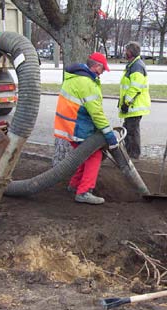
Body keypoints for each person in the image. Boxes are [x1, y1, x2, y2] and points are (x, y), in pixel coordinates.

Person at [54, 52, 118, 205]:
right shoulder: (86, 83)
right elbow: (96, 113)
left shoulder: (75, 77)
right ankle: (84, 192)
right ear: (97, 66)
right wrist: (109, 134)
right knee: (94, 156)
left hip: (70, 125)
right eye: (102, 70)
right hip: (76, 127)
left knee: (84, 155)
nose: (102, 73)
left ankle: (75, 185)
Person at [118, 41, 151, 159]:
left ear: (130, 52)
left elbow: (135, 87)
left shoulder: (136, 66)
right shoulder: (133, 65)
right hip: (133, 105)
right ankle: (129, 153)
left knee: (131, 131)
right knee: (129, 129)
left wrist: (126, 102)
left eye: (126, 50)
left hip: (134, 105)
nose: (124, 53)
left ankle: (133, 155)